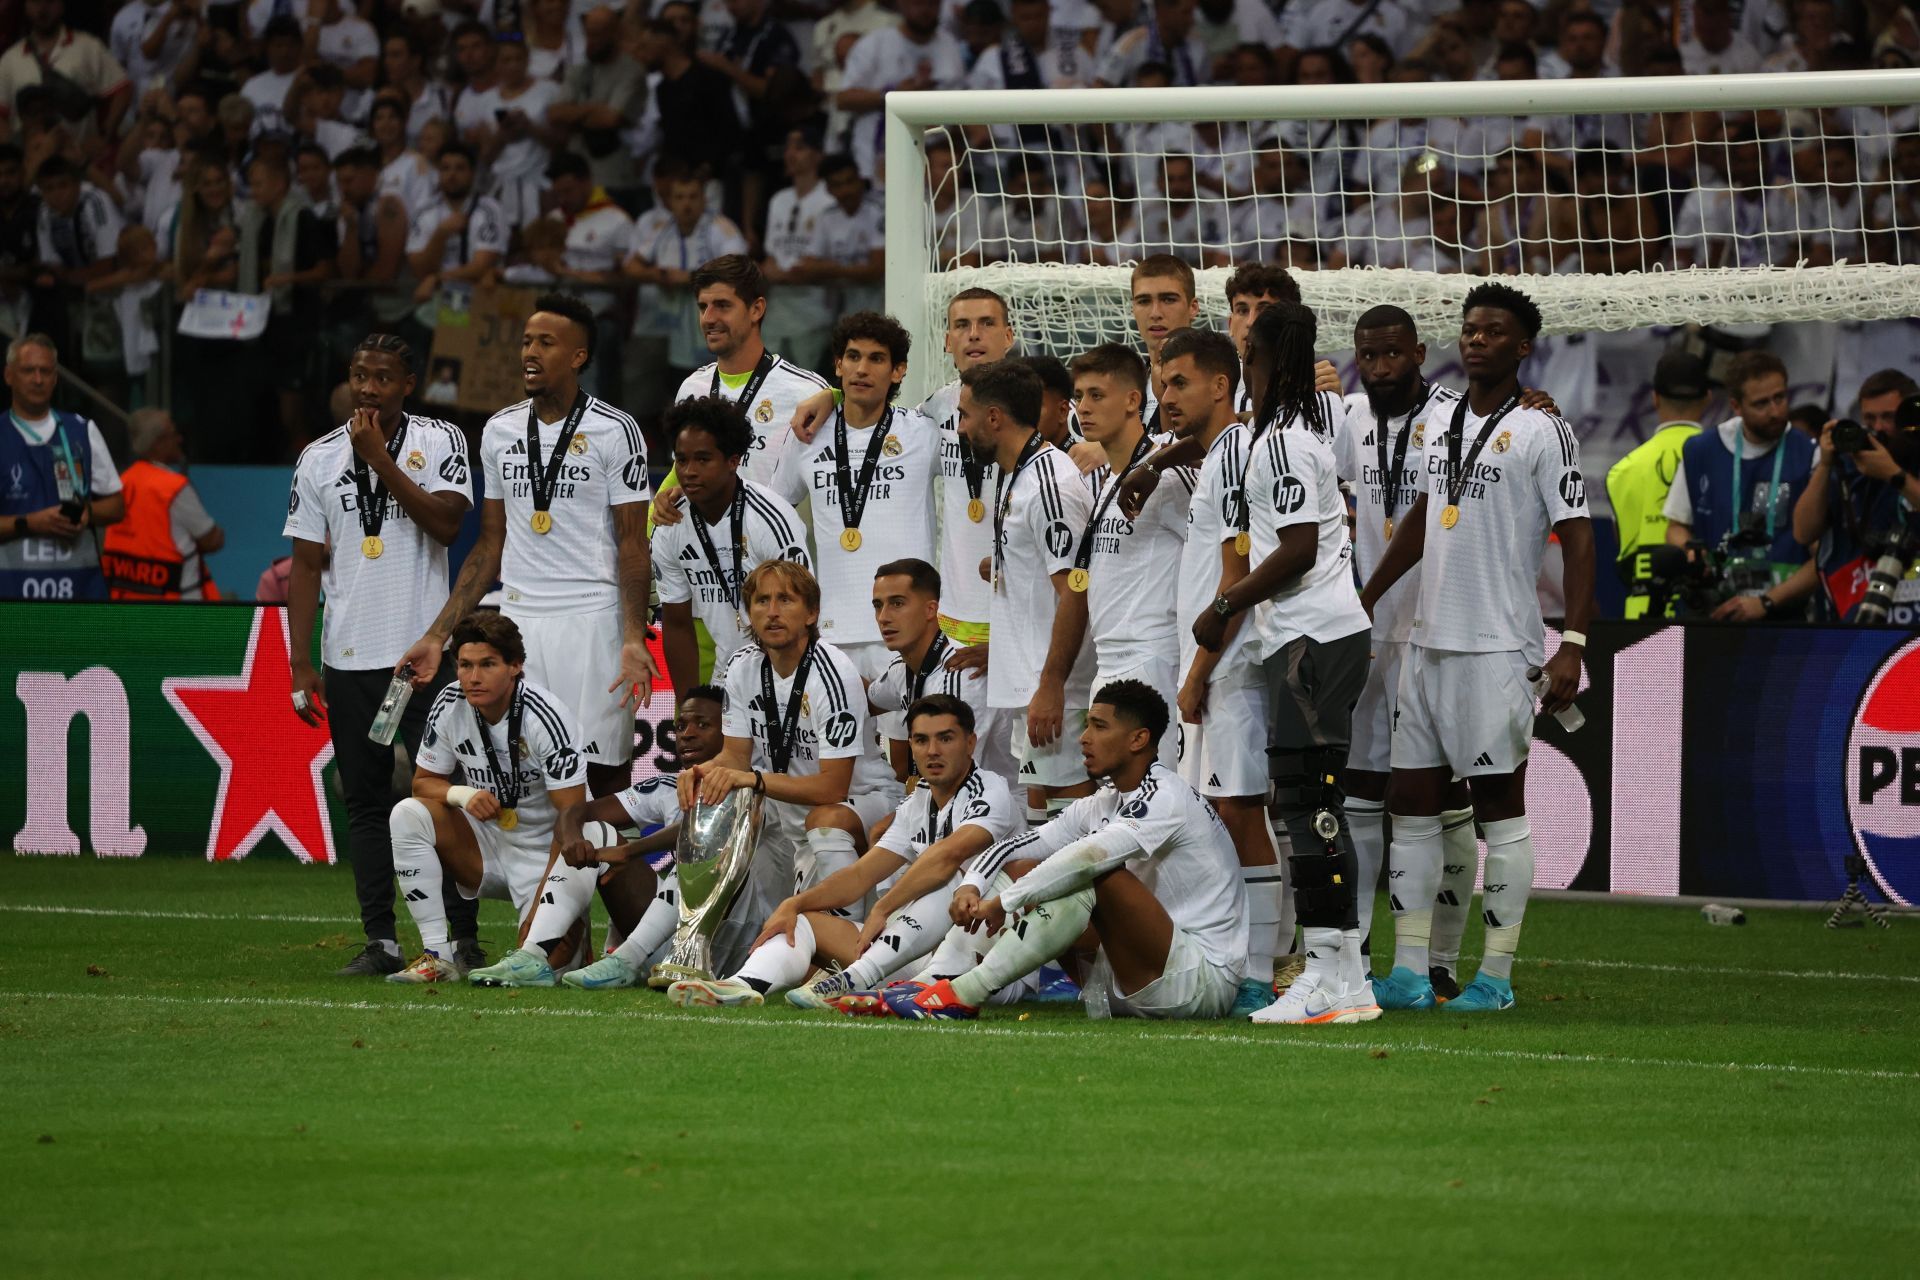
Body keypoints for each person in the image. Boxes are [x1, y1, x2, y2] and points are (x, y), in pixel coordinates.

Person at [1359, 282, 1596, 1014]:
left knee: (1499, 811)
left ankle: (1494, 977)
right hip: (1427, 643)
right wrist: (1366, 594)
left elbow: (1579, 537)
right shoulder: (1441, 418)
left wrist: (1573, 643)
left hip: (1496, 648)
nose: (1477, 341)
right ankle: (1406, 971)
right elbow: (1427, 514)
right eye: (1469, 330)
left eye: (1493, 332)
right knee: (1412, 804)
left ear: (1522, 347)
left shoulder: (1543, 428)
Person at [1193, 301, 1378, 1025]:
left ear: (1256, 356)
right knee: (1310, 807)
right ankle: (1344, 976)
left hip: (1314, 638)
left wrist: (1226, 605)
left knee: (1309, 809)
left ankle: (1333, 977)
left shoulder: (1285, 441)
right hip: (1309, 638)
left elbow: (1298, 548)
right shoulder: (1277, 432)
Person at [399, 293, 657, 802]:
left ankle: (600, 879)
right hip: (519, 622)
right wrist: (437, 635)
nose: (529, 353)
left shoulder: (616, 429)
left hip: (593, 621)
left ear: (578, 356)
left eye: (545, 342)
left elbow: (633, 543)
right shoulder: (499, 430)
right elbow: (489, 544)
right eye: (526, 342)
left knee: (602, 780)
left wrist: (632, 638)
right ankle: (539, 883)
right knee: (526, 777)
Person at [286, 332, 478, 978]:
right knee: (365, 804)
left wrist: (380, 461)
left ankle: (463, 938)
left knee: (445, 795)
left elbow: (448, 524)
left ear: (407, 384)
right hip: (349, 658)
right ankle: (381, 941)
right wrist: (300, 661)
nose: (369, 388)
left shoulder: (440, 442)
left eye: (383, 378)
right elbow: (306, 565)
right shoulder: (316, 458)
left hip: (425, 656)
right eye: (360, 375)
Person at [885, 680, 1249, 1022]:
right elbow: (1016, 846)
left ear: (1138, 739)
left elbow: (1086, 858)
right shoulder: (1103, 801)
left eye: (1099, 727)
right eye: (1087, 725)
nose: (1085, 738)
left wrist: (1004, 902)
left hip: (1201, 983)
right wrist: (973, 886)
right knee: (1029, 866)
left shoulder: (1165, 797)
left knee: (1095, 873)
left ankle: (963, 992)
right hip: (1137, 976)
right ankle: (934, 980)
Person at [667, 692, 1019, 1008]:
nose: (933, 751)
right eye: (921, 740)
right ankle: (740, 986)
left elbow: (948, 858)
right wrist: (796, 903)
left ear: (970, 743)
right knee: (801, 922)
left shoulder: (991, 790)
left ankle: (854, 982)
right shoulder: (919, 800)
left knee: (952, 882)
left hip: (982, 961)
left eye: (946, 739)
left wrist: (884, 906)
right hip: (912, 951)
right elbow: (861, 875)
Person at [1331, 306, 1478, 998]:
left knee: (1440, 801)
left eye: (1393, 354)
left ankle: (1438, 963)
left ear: (1419, 352)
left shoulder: (1455, 415)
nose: (1381, 368)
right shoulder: (1346, 416)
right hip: (1362, 636)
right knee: (1360, 793)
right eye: (1370, 356)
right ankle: (1355, 957)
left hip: (1436, 631)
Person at [675, 559, 901, 978]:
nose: (772, 611)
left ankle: (840, 956)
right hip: (783, 807)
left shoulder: (832, 673)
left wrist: (753, 779)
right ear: (748, 613)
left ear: (811, 613)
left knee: (825, 822)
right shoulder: (741, 666)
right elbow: (735, 758)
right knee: (709, 804)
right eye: (762, 600)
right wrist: (704, 772)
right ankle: (674, 951)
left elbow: (833, 786)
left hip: (862, 802)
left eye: (785, 600)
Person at [1158, 327, 1292, 1016]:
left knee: (1241, 813)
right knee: (1217, 815)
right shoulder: (1218, 455)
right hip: (1213, 665)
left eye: (1180, 382)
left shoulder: (1238, 453)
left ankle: (1261, 974)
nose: (1167, 396)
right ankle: (1245, 961)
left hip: (1232, 666)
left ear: (1221, 384)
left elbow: (1238, 574)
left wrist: (1201, 668)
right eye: (1161, 384)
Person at [387, 612, 600, 985]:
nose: (473, 677)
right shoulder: (450, 702)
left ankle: (572, 933)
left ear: (515, 666)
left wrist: (541, 911)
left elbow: (573, 816)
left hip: (553, 851)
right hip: (488, 843)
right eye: (465, 665)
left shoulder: (544, 716)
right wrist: (462, 793)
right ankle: (438, 957)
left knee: (543, 969)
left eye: (487, 664)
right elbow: (423, 783)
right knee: (408, 814)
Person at [957, 358, 1098, 823]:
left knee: (1069, 831)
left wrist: (1053, 685)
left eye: (965, 415)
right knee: (1045, 824)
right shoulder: (1017, 472)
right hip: (1031, 683)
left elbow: (1075, 592)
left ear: (994, 417)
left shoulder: (1050, 482)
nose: (960, 428)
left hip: (1058, 691)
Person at [770, 311, 937, 694]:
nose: (862, 368)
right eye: (853, 356)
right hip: (832, 630)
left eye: (877, 358)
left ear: (898, 371)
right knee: (839, 751)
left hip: (906, 632)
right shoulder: (807, 435)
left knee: (908, 750)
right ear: (838, 365)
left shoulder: (922, 433)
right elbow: (774, 511)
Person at [555, 684, 729, 990]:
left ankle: (627, 958)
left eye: (703, 725)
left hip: (734, 947)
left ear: (731, 731)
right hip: (663, 948)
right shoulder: (666, 786)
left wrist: (630, 851)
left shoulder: (750, 786)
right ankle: (536, 955)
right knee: (596, 832)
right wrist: (572, 839)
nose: (687, 734)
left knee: (695, 852)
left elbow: (702, 828)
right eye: (681, 725)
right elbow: (576, 812)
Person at [1069, 342, 1191, 770]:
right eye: (1079, 395)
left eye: (1096, 395)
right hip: (1108, 660)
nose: (1083, 406)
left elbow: (1214, 554)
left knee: (1165, 797)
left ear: (1133, 400)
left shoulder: (1169, 473)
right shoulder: (1109, 479)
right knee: (1120, 800)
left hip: (1153, 656)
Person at [651, 393, 810, 691]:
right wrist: (689, 705)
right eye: (682, 460)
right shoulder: (671, 527)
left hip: (787, 671)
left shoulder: (771, 519)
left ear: (733, 461)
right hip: (728, 676)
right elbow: (676, 624)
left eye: (702, 459)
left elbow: (801, 612)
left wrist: (791, 684)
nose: (689, 472)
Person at [1662, 349, 1818, 621]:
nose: (1775, 411)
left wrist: (1765, 602)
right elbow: (1676, 527)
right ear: (1736, 406)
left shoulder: (1809, 455)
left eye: (1780, 398)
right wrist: (1690, 550)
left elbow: (1823, 559)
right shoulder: (1701, 450)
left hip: (1788, 620)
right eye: (1761, 403)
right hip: (1716, 616)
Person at [671, 254, 831, 487]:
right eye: (703, 307)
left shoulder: (807, 392)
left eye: (722, 306)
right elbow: (679, 477)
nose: (708, 318)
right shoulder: (691, 389)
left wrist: (836, 395)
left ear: (756, 309)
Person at [0, 332, 122, 601]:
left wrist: (87, 513)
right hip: (10, 596)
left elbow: (116, 506)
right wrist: (29, 523)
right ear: (9, 376)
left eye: (46, 371)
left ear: (56, 378)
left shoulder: (82, 430)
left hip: (79, 591)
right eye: (28, 370)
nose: (38, 379)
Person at [1794, 368, 1920, 620]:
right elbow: (1803, 531)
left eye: (1888, 417)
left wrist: (1893, 474)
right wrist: (1827, 464)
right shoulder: (1851, 467)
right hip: (1859, 619)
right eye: (1869, 419)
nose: (1879, 428)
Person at [864, 558, 998, 779]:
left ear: (930, 610)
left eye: (897, 603)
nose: (883, 617)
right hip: (944, 796)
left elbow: (953, 780)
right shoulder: (903, 668)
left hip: (984, 805)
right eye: (878, 606)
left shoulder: (960, 675)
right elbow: (865, 698)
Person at [1607, 349, 1709, 619]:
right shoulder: (1724, 460)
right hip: (1711, 618)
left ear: (1654, 398)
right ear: (1708, 398)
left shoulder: (1621, 470)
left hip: (1643, 620)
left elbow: (1621, 542)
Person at [101, 408, 222, 601]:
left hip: (125, 604)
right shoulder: (173, 487)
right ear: (157, 443)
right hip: (174, 608)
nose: (179, 440)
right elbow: (212, 539)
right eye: (173, 434)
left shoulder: (122, 481)